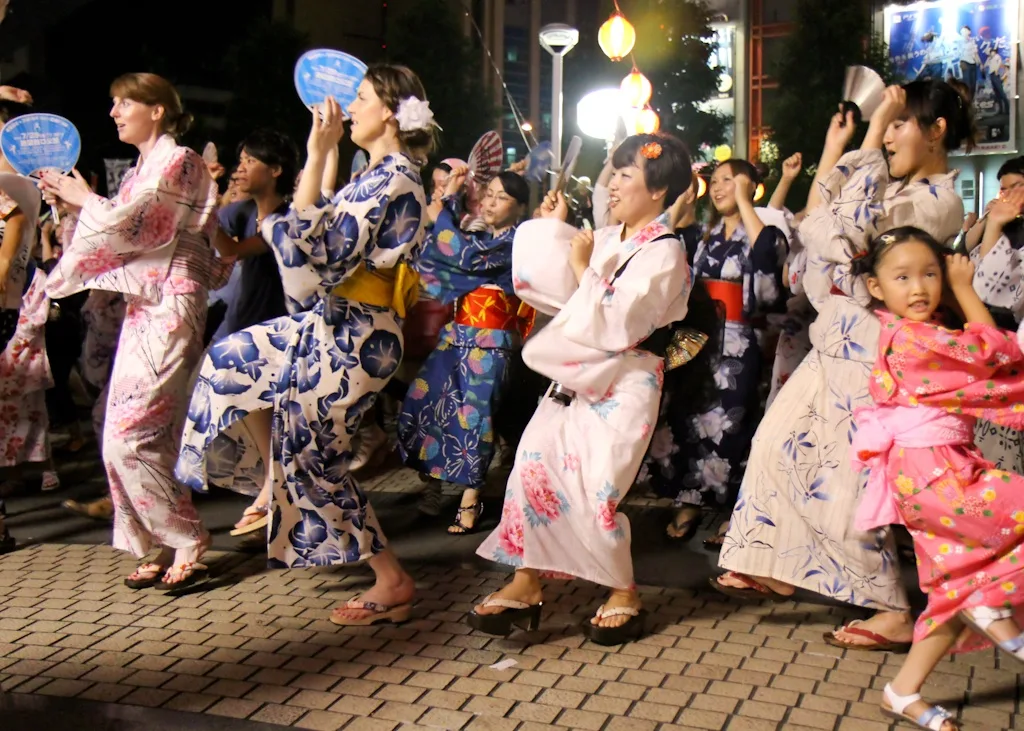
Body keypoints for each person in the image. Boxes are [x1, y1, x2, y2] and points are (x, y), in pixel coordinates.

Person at [712, 79, 973, 653]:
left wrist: (872, 138)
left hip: (875, 350)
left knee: (847, 480)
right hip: (836, 338)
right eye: (893, 122)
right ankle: (778, 561)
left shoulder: (937, 201)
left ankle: (890, 608)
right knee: (775, 443)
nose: (893, 134)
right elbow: (814, 224)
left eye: (904, 122)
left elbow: (847, 236)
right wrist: (853, 148)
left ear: (937, 132)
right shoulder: (893, 187)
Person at [175, 65, 434, 626]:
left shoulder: (395, 177)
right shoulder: (376, 172)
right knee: (227, 363)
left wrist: (317, 156)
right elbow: (306, 243)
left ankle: (392, 581)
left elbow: (319, 254)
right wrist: (320, 164)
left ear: (389, 111)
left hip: (357, 336)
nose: (350, 107)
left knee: (317, 462)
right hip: (332, 323)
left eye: (361, 98)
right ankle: (274, 481)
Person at [468, 134, 715, 645]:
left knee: (595, 486)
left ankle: (624, 591)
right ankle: (526, 580)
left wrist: (582, 268)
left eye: (627, 176)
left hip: (625, 380)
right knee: (533, 464)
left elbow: (620, 323)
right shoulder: (609, 237)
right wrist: (551, 232)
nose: (615, 183)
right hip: (575, 377)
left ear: (659, 190)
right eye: (616, 173)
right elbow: (552, 291)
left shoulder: (666, 252)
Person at [39, 72, 226, 590]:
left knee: (129, 436)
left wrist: (85, 199)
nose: (115, 112)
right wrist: (69, 203)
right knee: (138, 434)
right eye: (114, 103)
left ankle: (186, 536)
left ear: (158, 109)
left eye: (125, 103)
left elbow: (140, 225)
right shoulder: (140, 171)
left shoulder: (180, 161)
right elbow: (115, 229)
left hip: (172, 299)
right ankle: (158, 541)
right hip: (147, 305)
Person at [852, 227, 1024, 730]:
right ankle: (992, 602)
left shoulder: (908, 331)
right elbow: (1000, 356)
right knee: (988, 562)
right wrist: (966, 288)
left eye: (930, 274)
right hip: (934, 474)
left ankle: (902, 692)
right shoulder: (913, 338)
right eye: (901, 277)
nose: (919, 288)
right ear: (876, 287)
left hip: (931, 470)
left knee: (954, 587)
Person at [655, 158, 782, 543]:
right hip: (699, 334)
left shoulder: (764, 231)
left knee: (733, 421)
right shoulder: (705, 234)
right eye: (718, 180)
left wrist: (748, 202)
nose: (721, 186)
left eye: (731, 180)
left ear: (750, 185)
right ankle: (689, 497)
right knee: (686, 415)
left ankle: (736, 510)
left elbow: (767, 271)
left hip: (738, 339)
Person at [398, 168, 532, 533]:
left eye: (501, 197)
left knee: (475, 420)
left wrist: (448, 207)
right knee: (422, 406)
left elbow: (463, 256)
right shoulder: (483, 236)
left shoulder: (515, 243)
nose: (490, 202)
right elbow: (452, 254)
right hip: (456, 337)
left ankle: (470, 499)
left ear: (520, 207)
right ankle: (433, 486)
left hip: (490, 345)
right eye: (488, 193)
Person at [960, 156, 1024, 472]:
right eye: (1003, 189)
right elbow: (963, 259)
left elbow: (983, 288)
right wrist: (990, 222)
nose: (1008, 195)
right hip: (987, 358)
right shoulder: (1005, 227)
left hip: (1009, 354)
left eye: (1017, 186)